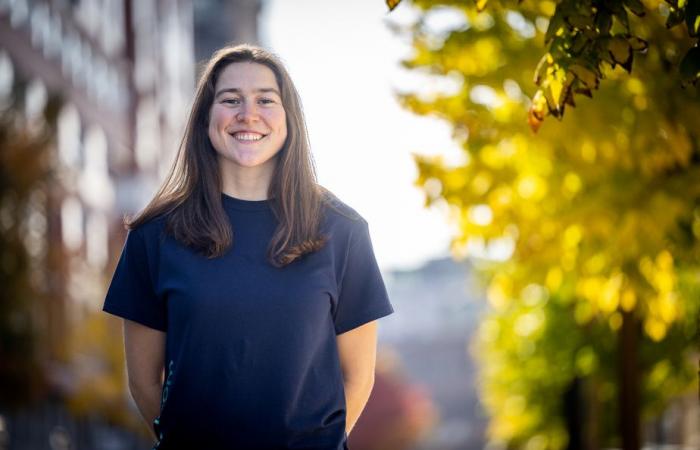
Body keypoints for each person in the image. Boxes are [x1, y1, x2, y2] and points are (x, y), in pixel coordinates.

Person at [102, 43, 394, 450]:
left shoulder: (344, 231)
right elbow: (144, 380)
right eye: (230, 99)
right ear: (207, 117)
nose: (247, 114)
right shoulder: (154, 235)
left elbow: (358, 377)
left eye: (265, 100)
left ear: (288, 119)